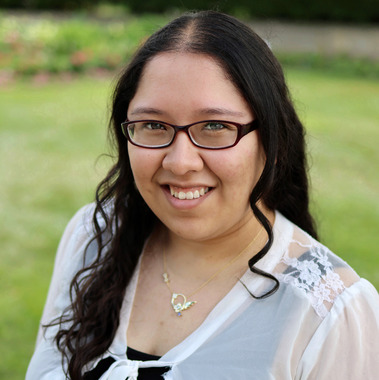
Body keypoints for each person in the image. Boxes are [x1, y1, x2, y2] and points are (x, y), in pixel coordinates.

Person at [26, 10, 379, 380]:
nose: (180, 162)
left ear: (274, 141)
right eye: (153, 124)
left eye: (214, 126)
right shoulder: (93, 237)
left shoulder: (329, 314)